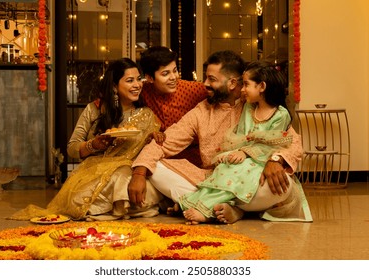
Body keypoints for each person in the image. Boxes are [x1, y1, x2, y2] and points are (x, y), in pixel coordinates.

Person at [128, 50, 312, 224]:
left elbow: (293, 141)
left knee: (284, 184)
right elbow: (167, 141)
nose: (205, 84)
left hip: (252, 177)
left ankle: (209, 205)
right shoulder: (201, 111)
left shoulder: (255, 103)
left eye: (212, 79)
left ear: (232, 83)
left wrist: (276, 160)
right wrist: (139, 172)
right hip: (211, 178)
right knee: (156, 169)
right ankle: (232, 208)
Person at [10, 58, 164, 221]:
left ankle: (114, 208)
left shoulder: (146, 115)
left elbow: (152, 150)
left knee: (122, 178)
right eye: (130, 80)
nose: (137, 85)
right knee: (78, 200)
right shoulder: (94, 109)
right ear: (114, 86)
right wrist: (93, 145)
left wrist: (155, 137)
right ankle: (117, 208)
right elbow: (72, 147)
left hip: (129, 171)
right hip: (94, 171)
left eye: (139, 79)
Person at [179, 61, 300, 224]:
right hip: (243, 156)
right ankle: (204, 204)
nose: (242, 90)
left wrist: (245, 154)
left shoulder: (280, 114)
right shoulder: (249, 109)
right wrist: (230, 153)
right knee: (224, 168)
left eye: (246, 85)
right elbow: (241, 136)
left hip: (261, 161)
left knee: (243, 176)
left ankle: (207, 210)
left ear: (262, 87)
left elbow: (272, 144)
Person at [139, 46, 208, 166]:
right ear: (149, 78)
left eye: (175, 70)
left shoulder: (192, 89)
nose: (174, 77)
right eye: (165, 74)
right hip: (157, 156)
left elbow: (223, 91)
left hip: (192, 158)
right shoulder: (142, 91)